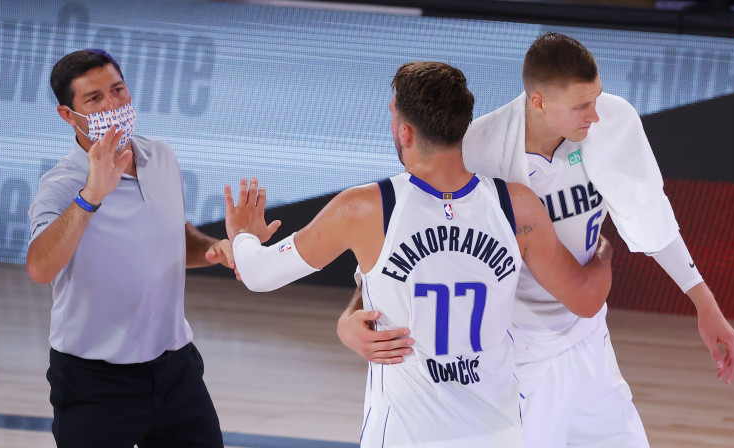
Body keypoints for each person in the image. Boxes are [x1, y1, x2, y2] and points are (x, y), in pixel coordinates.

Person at [338, 33, 734, 447]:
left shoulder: (612, 121)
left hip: (588, 337)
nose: (595, 115)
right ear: (539, 103)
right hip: (516, 351)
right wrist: (352, 316)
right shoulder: (478, 150)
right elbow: (402, 241)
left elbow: (650, 218)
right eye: (581, 106)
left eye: (596, 97)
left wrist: (705, 305)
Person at [224, 61, 614, 447]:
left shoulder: (363, 209)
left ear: (405, 132)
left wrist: (244, 237)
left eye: (392, 116)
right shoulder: (518, 207)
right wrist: (603, 256)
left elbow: (259, 274)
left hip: (405, 435)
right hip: (497, 433)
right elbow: (586, 298)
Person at [27, 49, 232, 448]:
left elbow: (173, 232)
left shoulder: (161, 156)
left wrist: (215, 249)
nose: (113, 104)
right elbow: (40, 268)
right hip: (95, 383)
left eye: (118, 90)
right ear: (68, 115)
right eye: (94, 99)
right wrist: (90, 197)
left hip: (176, 371)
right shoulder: (62, 184)